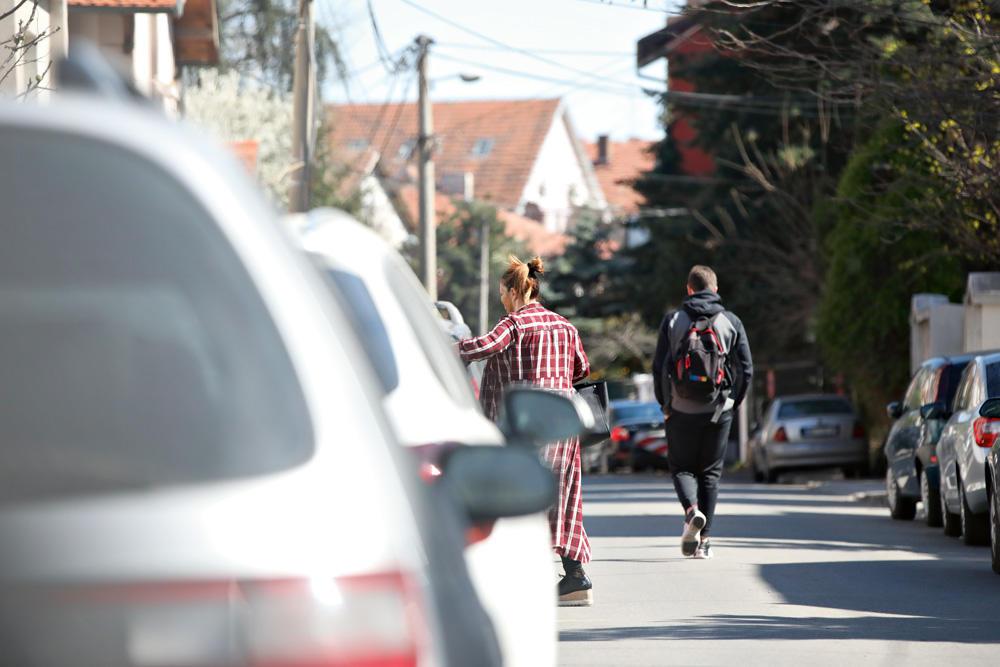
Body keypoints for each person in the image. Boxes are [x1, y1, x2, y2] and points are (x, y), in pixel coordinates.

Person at [458, 256, 594, 607]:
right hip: (562, 424)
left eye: (503, 292)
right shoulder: (565, 326)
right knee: (562, 498)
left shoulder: (514, 324)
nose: (502, 299)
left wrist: (446, 349)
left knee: (515, 499)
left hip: (524, 425)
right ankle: (576, 577)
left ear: (515, 291)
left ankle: (514, 580)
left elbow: (481, 347)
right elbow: (581, 369)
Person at [652, 265, 753, 560]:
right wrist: (734, 401)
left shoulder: (672, 321)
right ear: (716, 289)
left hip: (681, 408)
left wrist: (665, 404)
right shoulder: (731, 321)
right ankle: (705, 541)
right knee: (710, 473)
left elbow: (659, 367)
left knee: (682, 467)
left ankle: (691, 510)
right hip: (718, 409)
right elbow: (745, 369)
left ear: (689, 289)